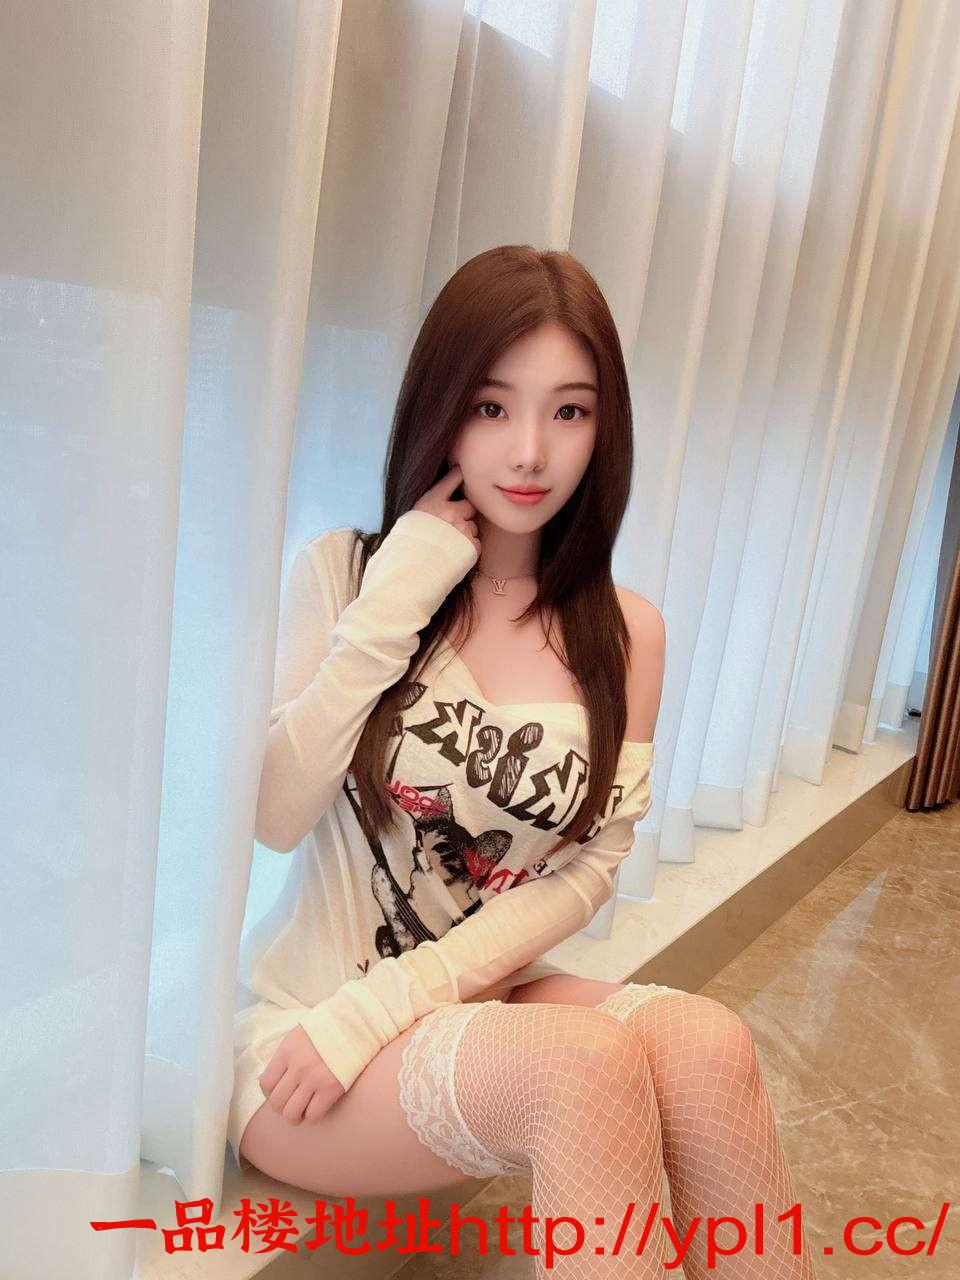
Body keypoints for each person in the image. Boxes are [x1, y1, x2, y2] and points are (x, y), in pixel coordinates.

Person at [229, 245, 816, 1278]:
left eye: (570, 411)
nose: (531, 450)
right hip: (306, 1027)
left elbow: (586, 868)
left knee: (708, 1043)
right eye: (493, 406)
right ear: (442, 408)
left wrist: (395, 1003)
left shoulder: (626, 633)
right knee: (581, 1066)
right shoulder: (347, 573)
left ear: (605, 427)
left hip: (471, 999)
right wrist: (401, 592)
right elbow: (275, 813)